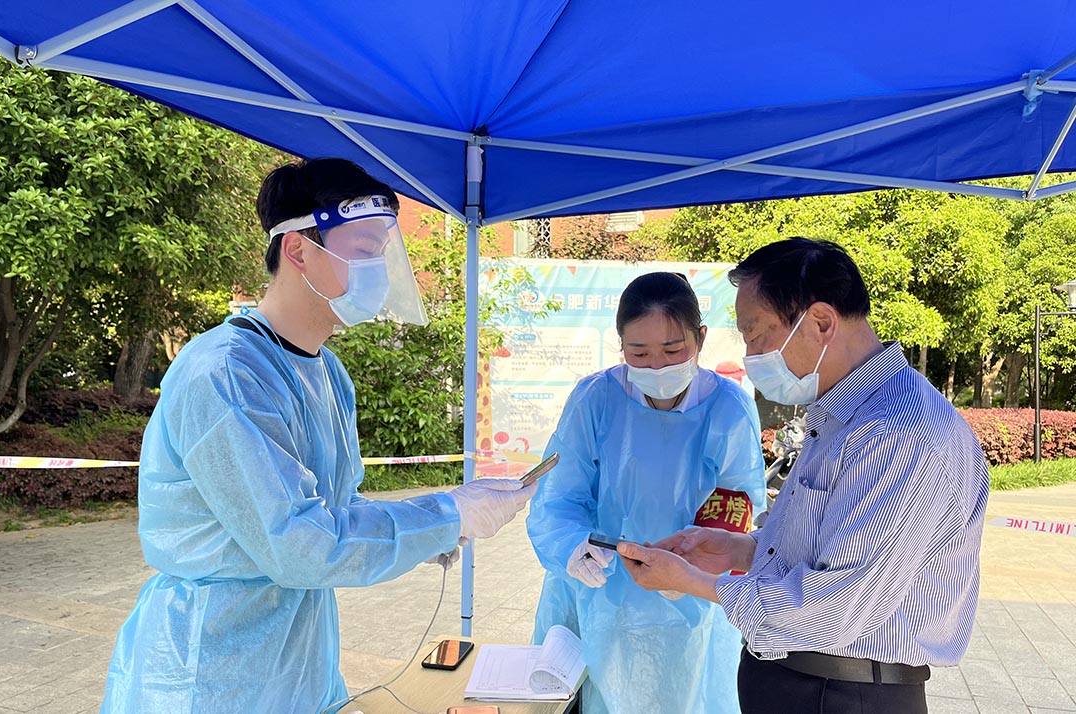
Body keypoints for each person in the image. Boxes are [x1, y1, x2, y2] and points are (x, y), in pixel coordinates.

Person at [100, 158, 536, 714]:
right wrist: (446, 515)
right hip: (212, 673)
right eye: (364, 249)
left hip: (301, 665)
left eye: (382, 250)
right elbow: (300, 543)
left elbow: (336, 510)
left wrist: (432, 532)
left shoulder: (328, 372)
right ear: (298, 250)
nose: (378, 269)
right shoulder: (227, 373)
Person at [618, 238, 990, 714]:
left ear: (820, 322)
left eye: (756, 335)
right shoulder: (843, 415)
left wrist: (696, 582)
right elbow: (825, 547)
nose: (751, 355)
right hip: (806, 683)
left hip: (845, 693)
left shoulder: (900, 431)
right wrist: (742, 550)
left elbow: (837, 607)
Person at [526, 272, 766, 714]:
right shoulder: (595, 399)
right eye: (639, 353)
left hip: (690, 602)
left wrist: (691, 570)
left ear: (701, 338)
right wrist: (571, 547)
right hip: (598, 592)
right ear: (621, 346)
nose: (657, 367)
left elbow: (738, 502)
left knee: (685, 698)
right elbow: (558, 497)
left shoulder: (728, 407)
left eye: (673, 351)